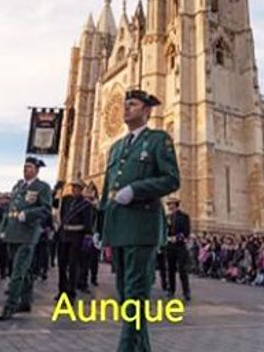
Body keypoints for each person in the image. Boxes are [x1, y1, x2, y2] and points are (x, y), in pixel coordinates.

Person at [96, 89, 180, 352]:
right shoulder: (116, 147)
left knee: (135, 295)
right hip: (118, 229)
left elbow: (171, 179)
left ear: (146, 110)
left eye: (132, 104)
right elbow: (106, 192)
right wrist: (100, 227)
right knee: (126, 297)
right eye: (125, 104)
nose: (126, 108)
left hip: (143, 229)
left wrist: (136, 190)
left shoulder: (158, 140)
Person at [0, 157, 53, 321]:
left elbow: (46, 209)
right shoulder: (19, 186)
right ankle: (26, 301)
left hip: (28, 233)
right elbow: (9, 209)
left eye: (29, 167)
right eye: (25, 167)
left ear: (36, 170)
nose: (25, 170)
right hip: (13, 232)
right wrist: (3, 228)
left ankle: (10, 305)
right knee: (25, 269)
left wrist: (28, 214)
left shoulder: (42, 187)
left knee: (17, 271)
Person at [57, 180, 94, 300]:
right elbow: (60, 213)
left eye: (77, 188)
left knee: (73, 266)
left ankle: (71, 291)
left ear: (81, 189)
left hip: (76, 237)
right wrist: (58, 189)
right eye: (73, 187)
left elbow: (88, 223)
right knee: (61, 265)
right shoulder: (66, 200)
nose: (74, 189)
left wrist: (87, 237)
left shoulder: (86, 204)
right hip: (64, 236)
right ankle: (61, 290)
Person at [165, 197, 191, 301]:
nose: (169, 206)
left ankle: (186, 292)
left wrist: (177, 238)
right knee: (170, 269)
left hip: (180, 246)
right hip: (170, 246)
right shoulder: (167, 217)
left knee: (182, 269)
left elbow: (186, 231)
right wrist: (167, 238)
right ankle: (171, 290)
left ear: (175, 204)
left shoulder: (184, 217)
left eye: (170, 204)